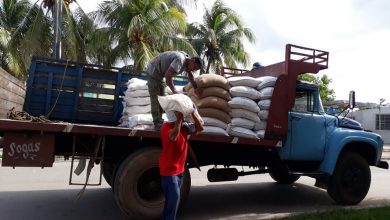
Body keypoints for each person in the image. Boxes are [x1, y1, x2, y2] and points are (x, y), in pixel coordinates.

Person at [159, 106, 204, 220]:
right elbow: (173, 137)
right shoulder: (166, 127)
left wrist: (193, 113)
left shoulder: (184, 127)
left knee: (171, 202)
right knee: (173, 202)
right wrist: (179, 119)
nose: (183, 117)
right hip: (169, 172)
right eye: (180, 115)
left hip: (179, 171)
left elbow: (200, 128)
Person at [146, 51, 203, 130]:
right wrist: (174, 91)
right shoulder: (180, 60)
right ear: (192, 60)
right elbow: (168, 75)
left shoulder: (187, 63)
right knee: (156, 99)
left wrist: (195, 88)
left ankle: (160, 121)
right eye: (194, 68)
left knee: (163, 99)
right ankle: (157, 124)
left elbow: (190, 75)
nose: (193, 70)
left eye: (195, 69)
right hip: (153, 71)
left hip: (160, 75)